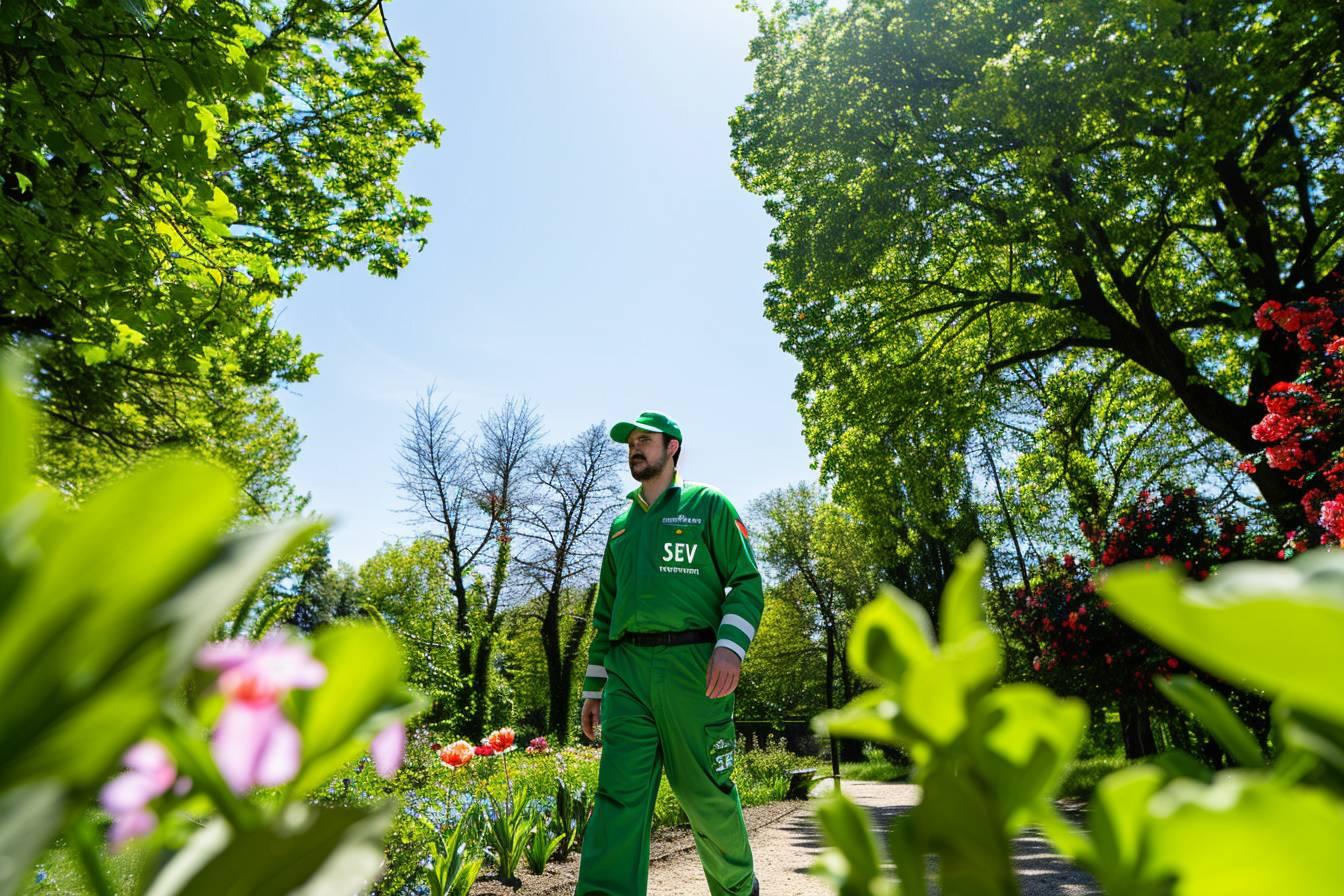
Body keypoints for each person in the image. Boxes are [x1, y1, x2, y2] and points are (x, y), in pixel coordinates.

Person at [575, 411, 763, 896]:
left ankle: (738, 890)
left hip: (694, 669)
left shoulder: (709, 505)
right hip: (628, 675)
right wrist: (594, 688)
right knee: (618, 799)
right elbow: (605, 615)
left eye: (644, 440)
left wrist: (730, 647)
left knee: (705, 794)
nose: (634, 448)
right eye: (630, 442)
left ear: (672, 447)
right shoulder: (621, 526)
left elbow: (746, 582)